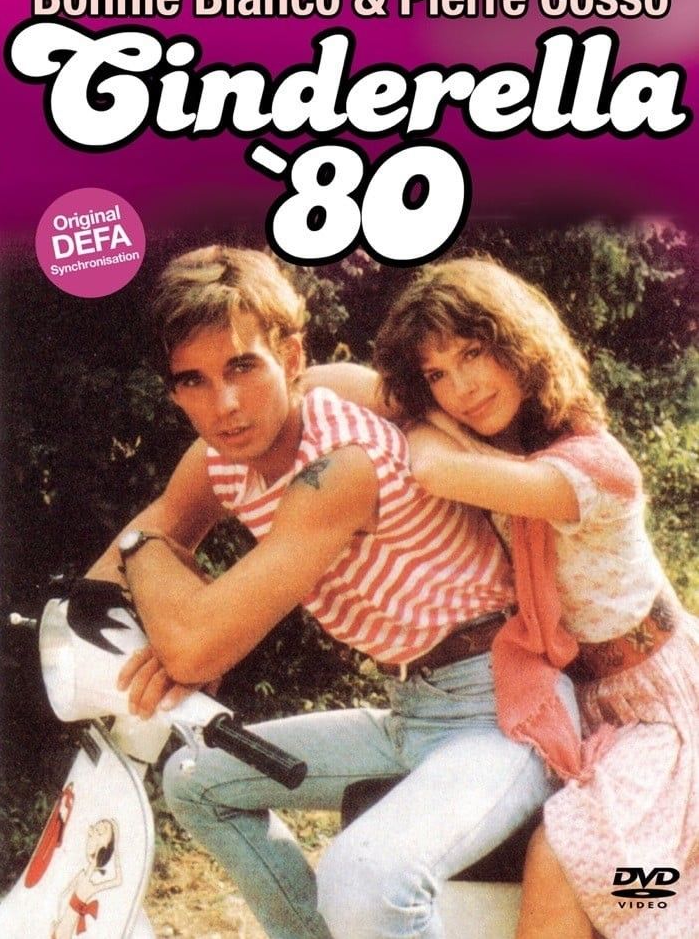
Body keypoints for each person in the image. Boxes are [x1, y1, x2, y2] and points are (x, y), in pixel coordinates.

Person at [85, 246, 580, 939]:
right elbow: (119, 573)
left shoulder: (340, 465)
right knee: (197, 777)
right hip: (412, 708)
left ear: (290, 357)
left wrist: (144, 548)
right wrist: (82, 615)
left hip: (501, 709)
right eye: (194, 381)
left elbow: (193, 640)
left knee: (364, 880)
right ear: (175, 392)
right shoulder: (223, 458)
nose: (225, 405)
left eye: (243, 367)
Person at [346, 255, 698, 939]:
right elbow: (329, 381)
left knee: (577, 860)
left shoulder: (591, 468)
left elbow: (433, 469)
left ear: (519, 344)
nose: (462, 387)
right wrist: (415, 405)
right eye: (435, 375)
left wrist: (421, 417)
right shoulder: (508, 455)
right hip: (580, 697)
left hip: (662, 707)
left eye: (473, 352)